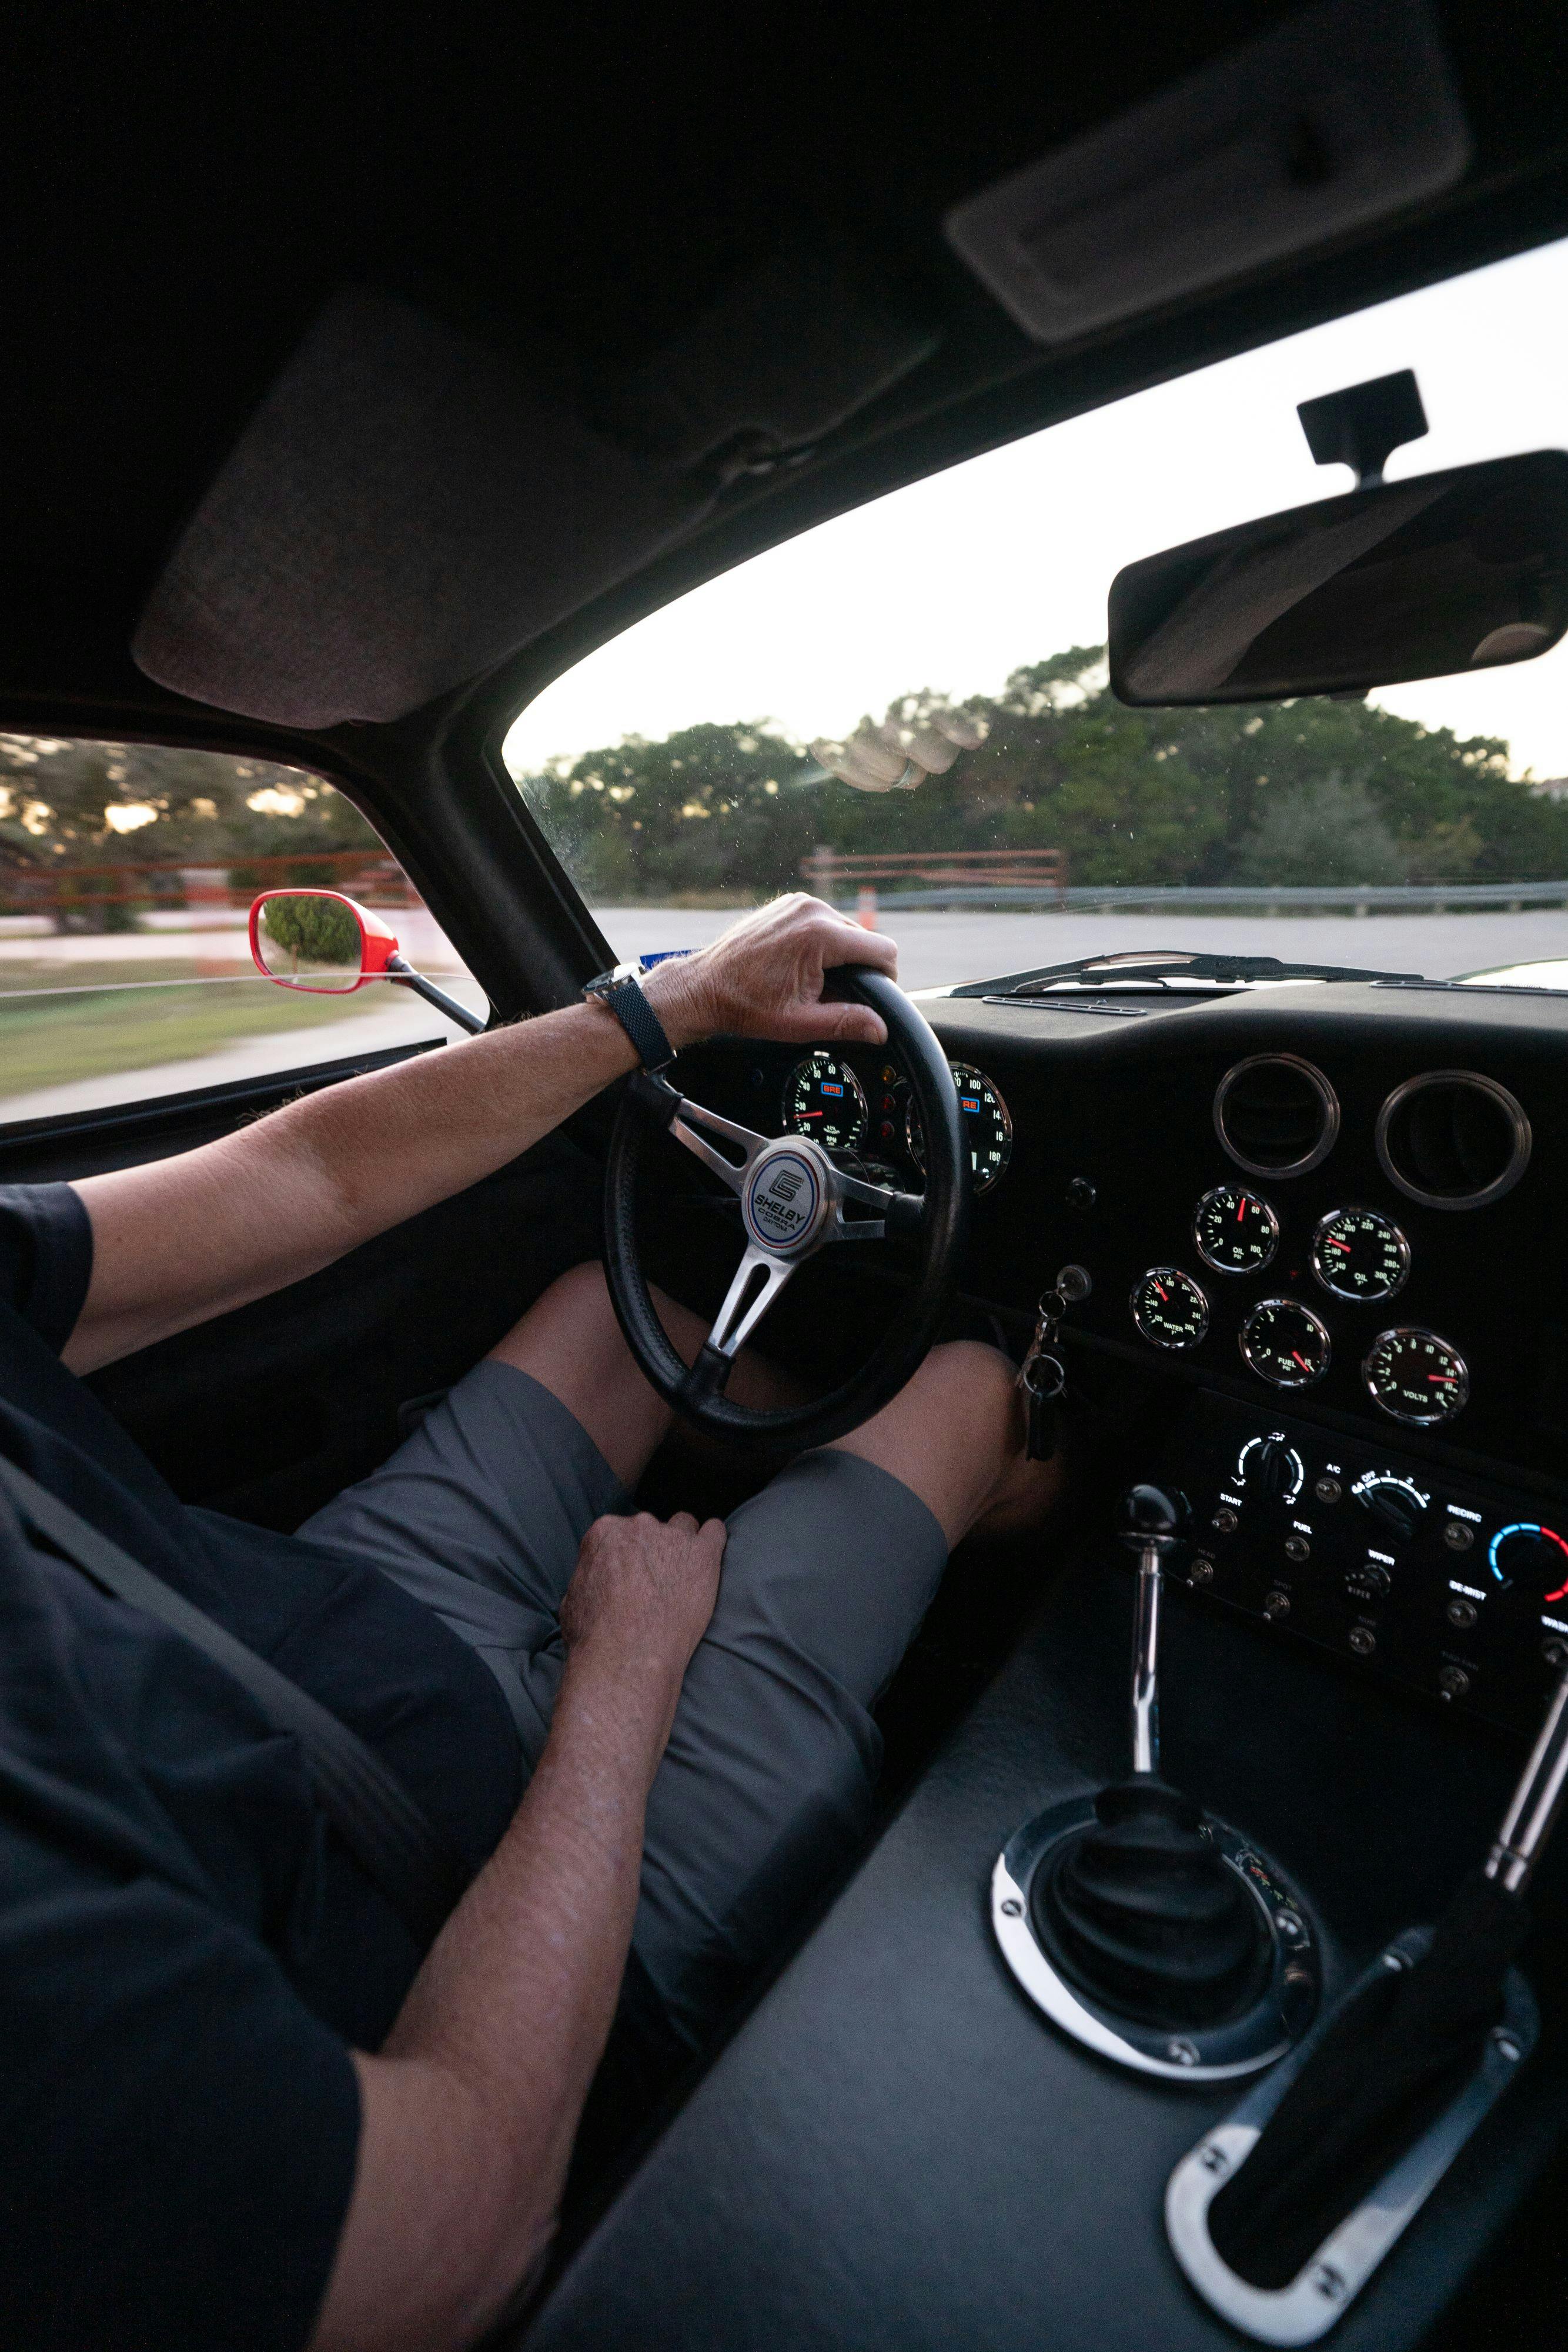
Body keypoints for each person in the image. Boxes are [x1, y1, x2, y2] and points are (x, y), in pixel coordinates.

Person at [0, 894, 1055, 2352]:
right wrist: (619, 1680)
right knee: (970, 1386)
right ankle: (1001, 1489)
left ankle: (842, 1492)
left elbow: (306, 1170)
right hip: (493, 1913)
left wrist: (663, 1009)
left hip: (333, 1626)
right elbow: (458, 2235)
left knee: (600, 1310)